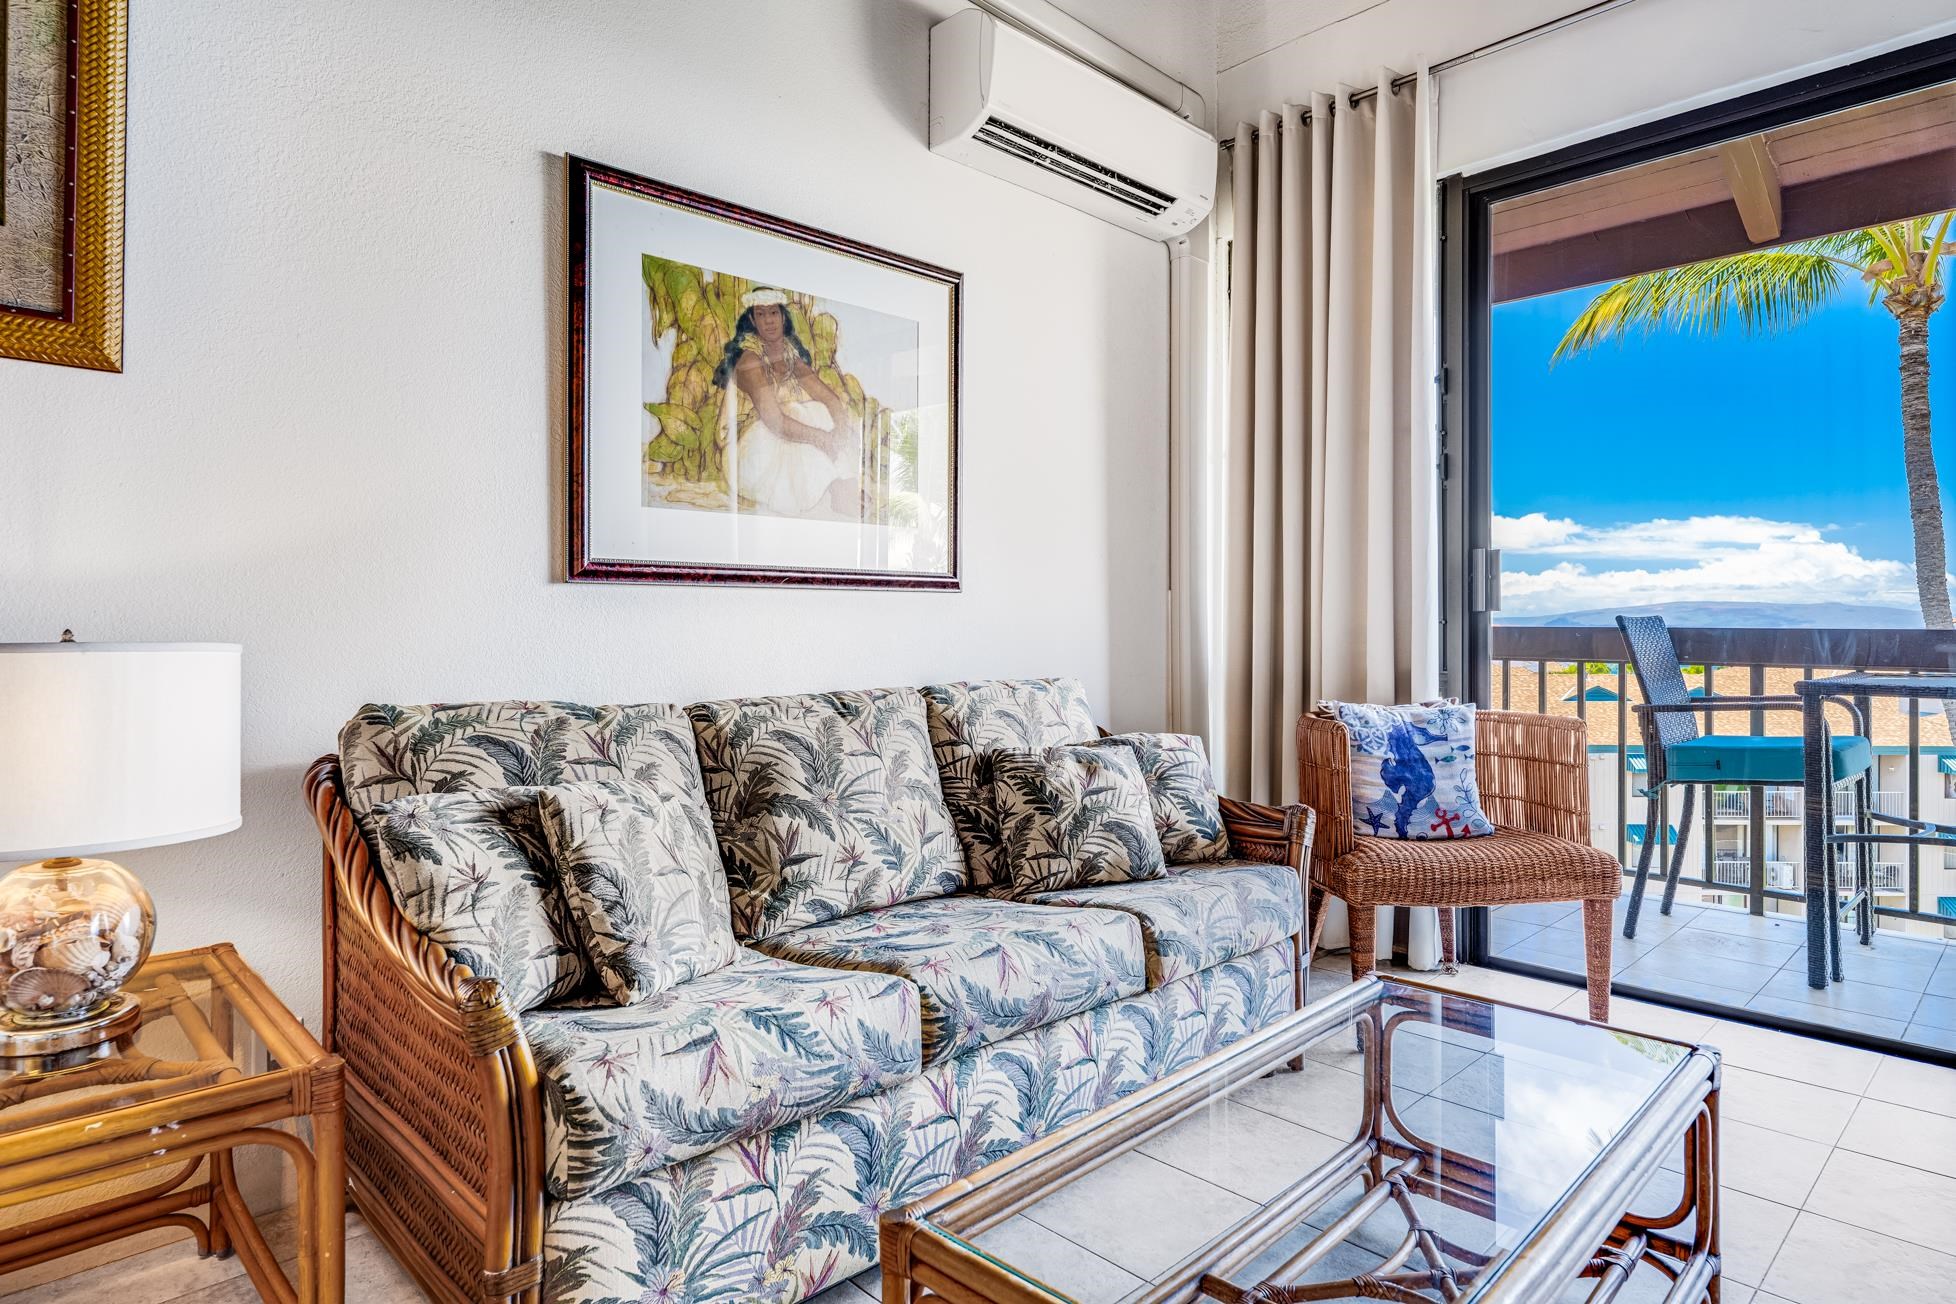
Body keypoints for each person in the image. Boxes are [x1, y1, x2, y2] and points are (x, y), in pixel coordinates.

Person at [714, 287, 861, 517]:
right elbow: (774, 420)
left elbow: (830, 400)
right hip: (749, 453)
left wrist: (839, 433)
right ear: (753, 319)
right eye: (761, 315)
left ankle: (844, 484)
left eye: (773, 313)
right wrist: (821, 438)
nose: (769, 321)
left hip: (781, 440)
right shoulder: (749, 360)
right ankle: (836, 487)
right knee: (796, 412)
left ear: (783, 317)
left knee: (817, 410)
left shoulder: (790, 356)